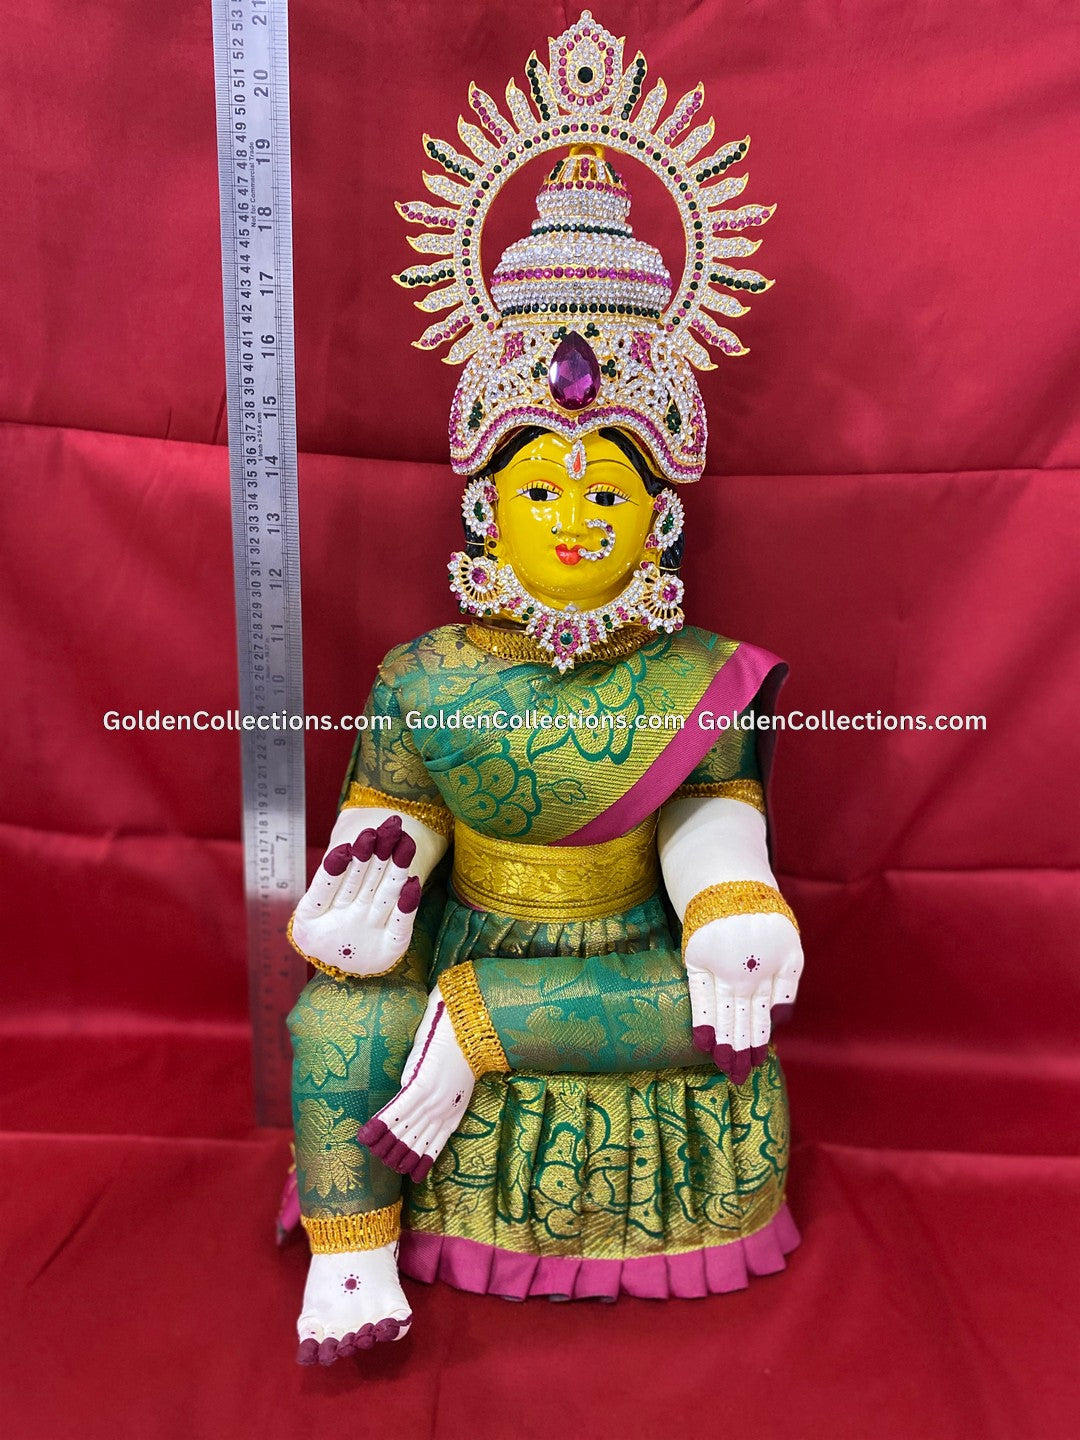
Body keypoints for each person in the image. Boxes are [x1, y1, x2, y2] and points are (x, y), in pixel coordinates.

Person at [284, 14, 804, 1367]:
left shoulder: (696, 676)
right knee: (340, 1009)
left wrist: (735, 902)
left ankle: (487, 1034)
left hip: (632, 957)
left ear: (659, 515)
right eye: (540, 490)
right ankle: (351, 1259)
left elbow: (711, 819)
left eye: (608, 491)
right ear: (486, 505)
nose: (573, 518)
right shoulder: (425, 676)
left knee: (731, 996)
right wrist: (359, 902)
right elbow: (394, 829)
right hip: (468, 936)